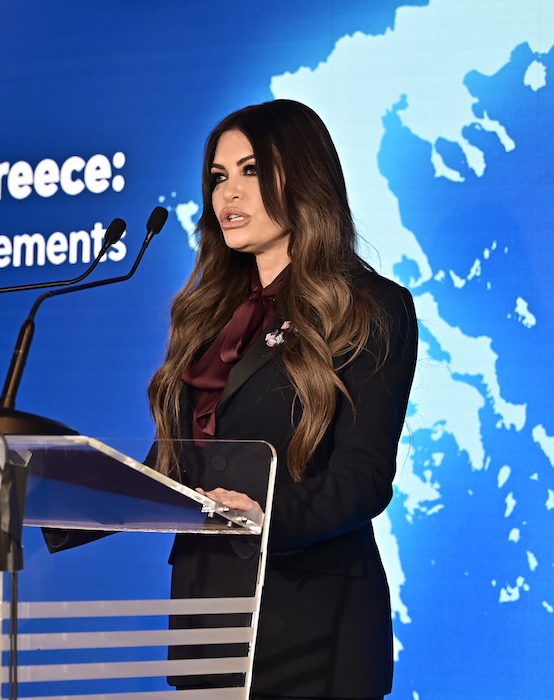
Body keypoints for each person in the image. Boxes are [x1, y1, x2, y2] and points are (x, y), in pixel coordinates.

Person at [146, 99, 418, 698]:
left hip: (312, 618)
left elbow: (364, 476)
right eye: (218, 177)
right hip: (208, 620)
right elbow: (172, 464)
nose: (227, 193)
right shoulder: (207, 317)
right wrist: (33, 489)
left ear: (302, 177)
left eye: (250, 171)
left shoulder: (371, 307)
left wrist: (263, 518)